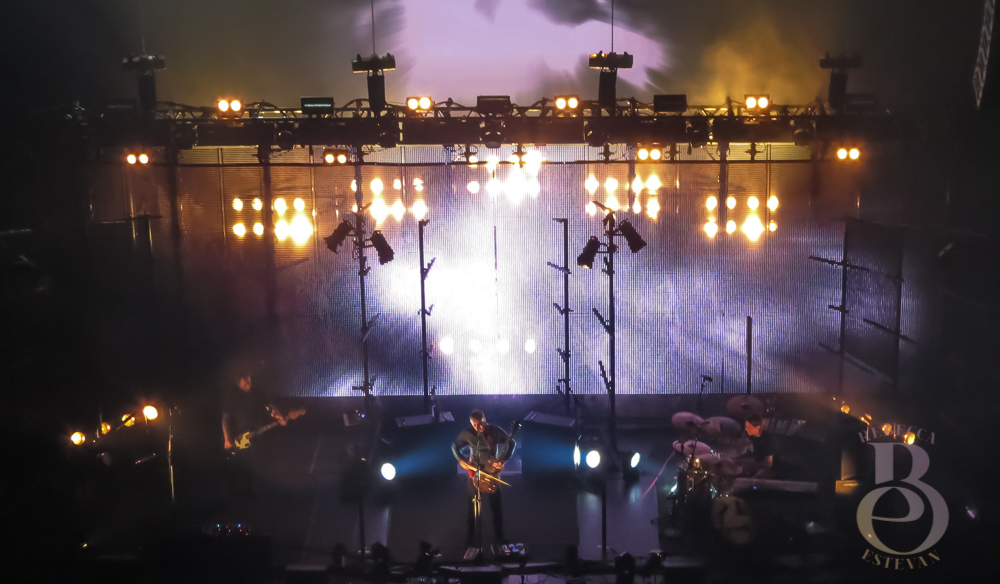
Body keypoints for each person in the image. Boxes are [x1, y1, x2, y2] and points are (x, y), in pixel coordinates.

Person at [452, 410, 516, 546]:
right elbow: (455, 446)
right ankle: (471, 535)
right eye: (474, 424)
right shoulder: (468, 433)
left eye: (479, 424)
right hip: (475, 473)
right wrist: (461, 459)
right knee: (473, 505)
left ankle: (499, 535)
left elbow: (511, 443)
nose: (477, 427)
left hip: (492, 473)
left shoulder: (495, 430)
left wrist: (503, 460)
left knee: (496, 505)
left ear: (485, 421)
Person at [222, 372, 286, 496]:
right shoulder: (233, 396)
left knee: (254, 464)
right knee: (239, 466)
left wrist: (278, 416)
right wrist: (226, 438)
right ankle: (236, 492)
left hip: (255, 436)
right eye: (245, 383)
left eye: (249, 382)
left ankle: (251, 491)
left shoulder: (257, 393)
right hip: (238, 438)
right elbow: (225, 418)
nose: (248, 385)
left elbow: (269, 407)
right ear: (239, 383)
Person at [741, 413, 774, 478]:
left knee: (749, 480)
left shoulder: (766, 440)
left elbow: (768, 464)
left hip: (770, 469)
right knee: (737, 464)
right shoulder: (754, 436)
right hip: (759, 463)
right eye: (745, 427)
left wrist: (749, 466)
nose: (746, 429)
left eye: (748, 427)